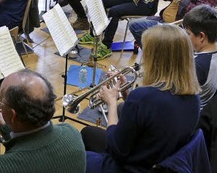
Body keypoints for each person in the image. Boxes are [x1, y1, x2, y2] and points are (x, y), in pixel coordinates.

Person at [81, 25, 200, 172]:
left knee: (74, 157)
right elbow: (150, 117)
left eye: (146, 52)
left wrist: (111, 103)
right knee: (88, 133)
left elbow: (116, 150)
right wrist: (127, 94)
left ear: (157, 59)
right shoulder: (194, 98)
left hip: (130, 167)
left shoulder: (143, 97)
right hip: (155, 160)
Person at [0, 69, 86, 172]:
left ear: (13, 115)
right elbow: (29, 144)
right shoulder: (71, 132)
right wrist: (4, 123)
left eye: (0, 100)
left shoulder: (2, 168)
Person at [182, 5, 217, 109]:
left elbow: (175, 93)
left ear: (201, 36)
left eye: (188, 34)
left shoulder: (198, 66)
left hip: (188, 112)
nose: (185, 37)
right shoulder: (215, 51)